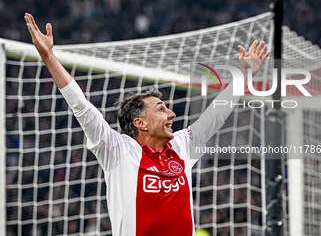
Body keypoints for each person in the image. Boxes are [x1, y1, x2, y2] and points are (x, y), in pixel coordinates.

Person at [24, 13, 269, 236]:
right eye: (161, 109)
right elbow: (82, 107)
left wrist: (244, 75)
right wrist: (48, 56)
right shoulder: (117, 150)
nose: (172, 114)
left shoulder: (182, 147)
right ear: (140, 122)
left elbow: (216, 115)